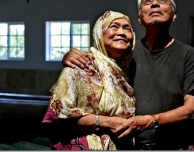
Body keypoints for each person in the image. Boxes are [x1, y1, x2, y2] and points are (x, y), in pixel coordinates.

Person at [61, 0, 194, 150]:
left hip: (176, 144)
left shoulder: (190, 55)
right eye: (147, 1)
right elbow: (99, 64)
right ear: (139, 17)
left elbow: (191, 109)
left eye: (162, 0)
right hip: (133, 144)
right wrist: (71, 57)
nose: (155, 4)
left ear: (174, 15)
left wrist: (149, 121)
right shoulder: (126, 52)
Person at [42, 10, 137, 150]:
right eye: (114, 26)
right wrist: (106, 122)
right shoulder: (79, 66)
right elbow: (56, 117)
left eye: (127, 28)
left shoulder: (128, 72)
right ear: (100, 33)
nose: (121, 32)